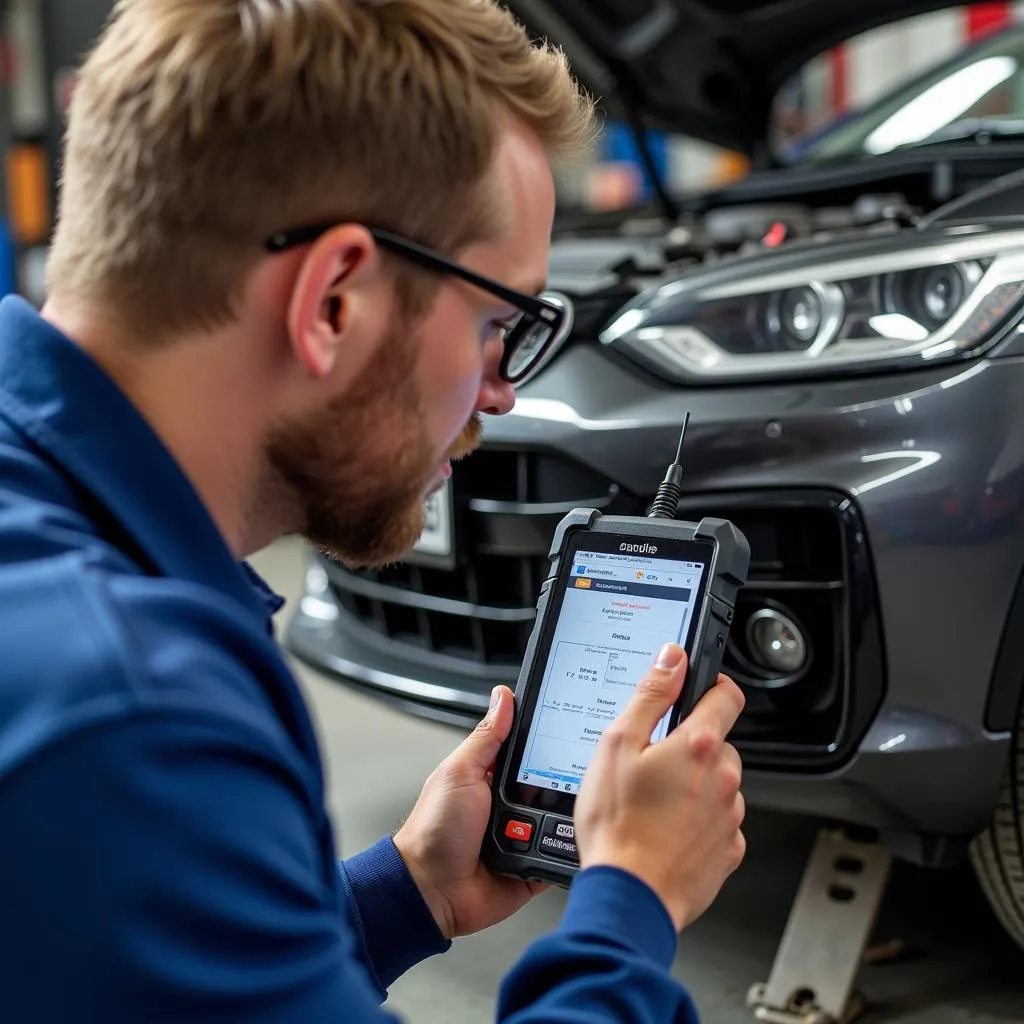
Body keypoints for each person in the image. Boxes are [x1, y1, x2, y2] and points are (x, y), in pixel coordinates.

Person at [0, 1, 747, 1021]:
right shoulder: (131, 709)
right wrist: (630, 904)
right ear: (333, 301)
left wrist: (409, 893)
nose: (501, 393)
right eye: (499, 323)